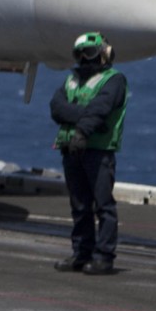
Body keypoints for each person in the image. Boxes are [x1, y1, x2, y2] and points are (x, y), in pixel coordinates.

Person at [48, 32, 125, 275]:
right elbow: (56, 108)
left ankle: (103, 256)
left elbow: (100, 109)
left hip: (98, 151)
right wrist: (84, 118)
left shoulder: (114, 81)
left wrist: (81, 130)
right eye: (79, 54)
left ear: (104, 53)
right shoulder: (71, 80)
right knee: (79, 205)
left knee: (103, 205)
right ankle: (81, 253)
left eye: (89, 53)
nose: (84, 58)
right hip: (70, 149)